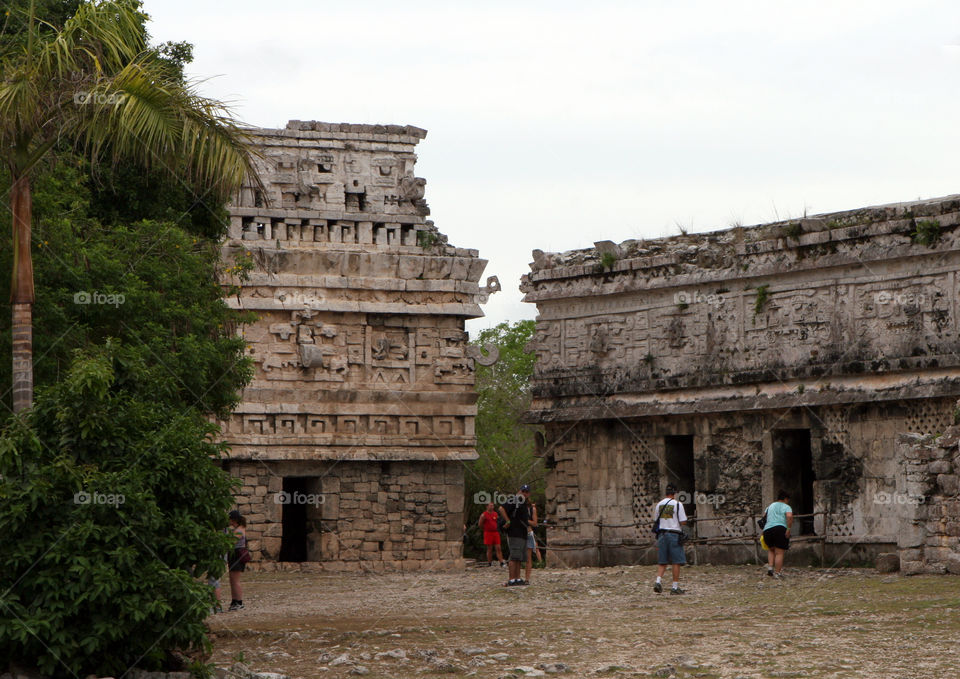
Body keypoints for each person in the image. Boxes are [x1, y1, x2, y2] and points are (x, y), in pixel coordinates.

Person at [653, 484, 687, 595]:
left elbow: (656, 519)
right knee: (676, 561)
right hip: (674, 535)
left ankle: (658, 581)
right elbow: (683, 521)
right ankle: (674, 587)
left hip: (662, 535)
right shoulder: (678, 504)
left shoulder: (659, 505)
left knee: (663, 561)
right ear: (675, 493)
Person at [499, 484, 533, 586]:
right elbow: (501, 508)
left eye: (527, 492)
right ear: (520, 491)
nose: (525, 493)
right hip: (514, 532)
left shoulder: (524, 503)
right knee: (514, 557)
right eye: (523, 491)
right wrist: (508, 521)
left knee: (519, 557)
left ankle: (517, 578)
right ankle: (511, 579)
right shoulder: (514, 500)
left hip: (522, 533)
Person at [763, 490, 793, 579]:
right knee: (779, 552)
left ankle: (770, 568)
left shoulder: (770, 506)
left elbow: (764, 516)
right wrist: (788, 529)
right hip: (780, 529)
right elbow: (789, 516)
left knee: (771, 549)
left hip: (767, 529)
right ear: (785, 499)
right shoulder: (787, 507)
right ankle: (777, 573)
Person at [228, 510, 247, 610]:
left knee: (235, 580)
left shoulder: (239, 530)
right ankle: (234, 601)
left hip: (237, 556)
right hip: (234, 555)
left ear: (233, 520)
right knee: (232, 580)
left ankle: (239, 602)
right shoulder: (237, 528)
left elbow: (230, 541)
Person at [478, 502, 505, 567]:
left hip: (495, 532)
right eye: (490, 506)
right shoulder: (484, 515)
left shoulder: (495, 514)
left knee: (498, 547)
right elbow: (480, 524)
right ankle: (489, 562)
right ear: (487, 506)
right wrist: (485, 528)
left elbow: (498, 522)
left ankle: (501, 562)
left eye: (492, 506)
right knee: (489, 548)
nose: (492, 507)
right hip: (488, 533)